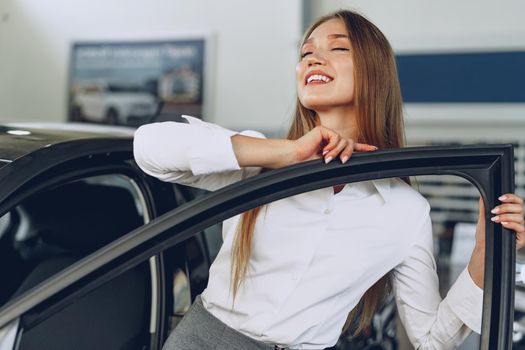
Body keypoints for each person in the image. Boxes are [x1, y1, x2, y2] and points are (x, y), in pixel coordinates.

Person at [133, 10, 525, 350]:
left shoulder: (405, 210)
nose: (313, 58)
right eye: (306, 52)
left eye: (337, 48)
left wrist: (483, 254)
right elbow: (149, 148)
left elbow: (429, 339)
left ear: (375, 72)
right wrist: (287, 153)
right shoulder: (261, 158)